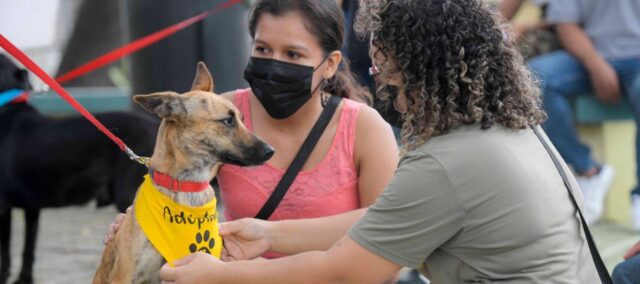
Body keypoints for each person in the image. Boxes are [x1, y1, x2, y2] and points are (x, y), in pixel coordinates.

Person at [158, 0, 602, 283]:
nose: (382, 81)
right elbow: (387, 223)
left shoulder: (446, 164)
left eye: (384, 67)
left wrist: (219, 276)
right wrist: (268, 234)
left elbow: (346, 270)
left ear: (419, 70)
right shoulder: (512, 130)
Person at [104, 0, 398, 257]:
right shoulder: (226, 113)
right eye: (262, 49)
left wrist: (270, 238)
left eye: (293, 54)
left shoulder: (365, 128)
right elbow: (173, 187)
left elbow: (389, 244)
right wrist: (141, 224)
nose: (273, 64)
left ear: (330, 64)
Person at [528, 0, 640, 226]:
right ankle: (588, 169)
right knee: (535, 77)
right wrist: (596, 65)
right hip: (589, 54)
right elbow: (565, 24)